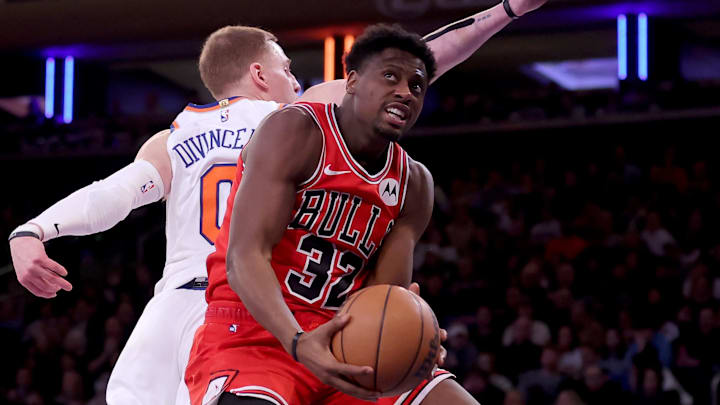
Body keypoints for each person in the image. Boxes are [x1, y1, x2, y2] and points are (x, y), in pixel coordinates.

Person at [8, 1, 548, 404]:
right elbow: (424, 59)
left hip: (181, 304)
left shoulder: (174, 136)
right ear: (262, 75)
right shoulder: (303, 118)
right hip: (251, 305)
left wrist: (33, 231)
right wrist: (508, 9)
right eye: (289, 68)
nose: (300, 79)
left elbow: (116, 195)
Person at [185, 23, 493, 405]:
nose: (405, 92)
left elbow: (384, 294)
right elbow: (244, 257)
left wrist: (412, 336)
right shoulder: (296, 130)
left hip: (345, 337)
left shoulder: (413, 183)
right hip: (254, 333)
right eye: (390, 77)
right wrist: (298, 342)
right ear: (351, 81)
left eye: (417, 86)